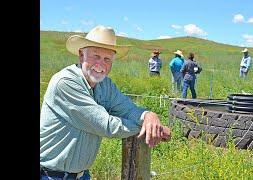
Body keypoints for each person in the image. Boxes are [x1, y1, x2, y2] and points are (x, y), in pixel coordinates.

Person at [40, 25, 171, 180]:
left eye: (107, 59)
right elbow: (106, 125)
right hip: (51, 175)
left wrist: (149, 116)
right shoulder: (66, 82)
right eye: (96, 56)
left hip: (81, 175)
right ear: (81, 55)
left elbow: (128, 109)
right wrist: (151, 128)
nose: (101, 64)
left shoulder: (105, 85)